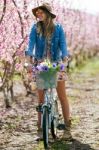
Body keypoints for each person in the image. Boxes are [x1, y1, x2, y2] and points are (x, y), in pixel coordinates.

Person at [25, 3, 72, 140]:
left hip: (56, 64)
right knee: (40, 99)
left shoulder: (58, 29)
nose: (38, 15)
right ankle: (40, 129)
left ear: (48, 14)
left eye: (41, 12)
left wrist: (64, 59)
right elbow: (30, 45)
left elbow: (63, 46)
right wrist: (28, 60)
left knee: (62, 96)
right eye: (37, 13)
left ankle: (67, 129)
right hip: (40, 64)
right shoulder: (35, 28)